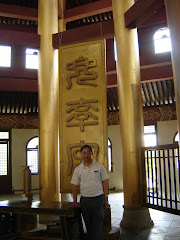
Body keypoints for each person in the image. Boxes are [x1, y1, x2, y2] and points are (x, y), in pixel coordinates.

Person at [71, 144, 109, 240]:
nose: (86, 155)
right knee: (88, 224)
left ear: (92, 154)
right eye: (84, 153)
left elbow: (105, 182)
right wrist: (75, 201)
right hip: (85, 200)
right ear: (81, 154)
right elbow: (75, 186)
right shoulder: (78, 169)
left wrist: (106, 198)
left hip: (98, 199)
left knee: (98, 224)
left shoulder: (99, 166)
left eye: (88, 152)